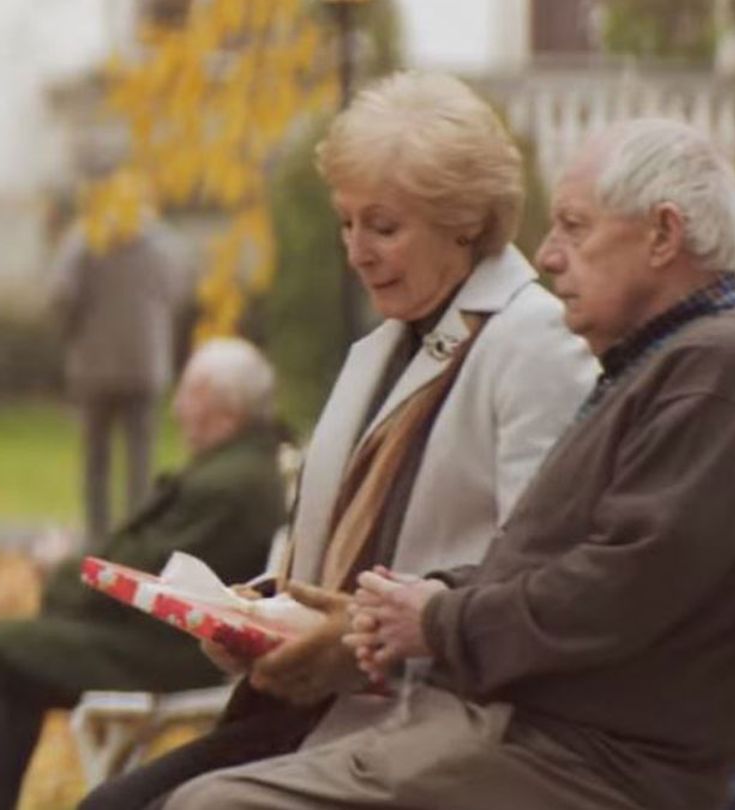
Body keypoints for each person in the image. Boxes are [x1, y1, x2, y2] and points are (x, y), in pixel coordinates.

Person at [168, 119, 735, 810]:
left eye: (574, 227)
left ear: (663, 236)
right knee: (199, 797)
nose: (546, 255)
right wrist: (399, 606)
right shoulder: (669, 366)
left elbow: (617, 591)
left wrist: (438, 620)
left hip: (603, 767)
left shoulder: (719, 374)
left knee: (213, 806)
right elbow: (561, 561)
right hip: (550, 741)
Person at [81, 70, 596, 810]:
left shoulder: (534, 344)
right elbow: (319, 538)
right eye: (346, 222)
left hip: (437, 723)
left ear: (464, 221)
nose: (356, 250)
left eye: (383, 227)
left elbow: (535, 574)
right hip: (329, 709)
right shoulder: (385, 346)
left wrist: (354, 645)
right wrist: (251, 615)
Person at [0, 338, 287, 810]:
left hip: (163, 651)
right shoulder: (240, 470)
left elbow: (147, 574)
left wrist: (60, 571)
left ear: (227, 412)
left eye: (191, 394)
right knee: (5, 660)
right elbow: (155, 560)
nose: (176, 408)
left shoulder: (231, 484)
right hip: (163, 640)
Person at [50, 174, 187, 550]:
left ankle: (97, 536)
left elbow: (62, 295)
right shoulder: (162, 242)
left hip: (94, 365)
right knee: (141, 457)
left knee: (96, 459)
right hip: (145, 363)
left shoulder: (84, 240)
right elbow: (177, 291)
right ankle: (136, 538)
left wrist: (71, 333)